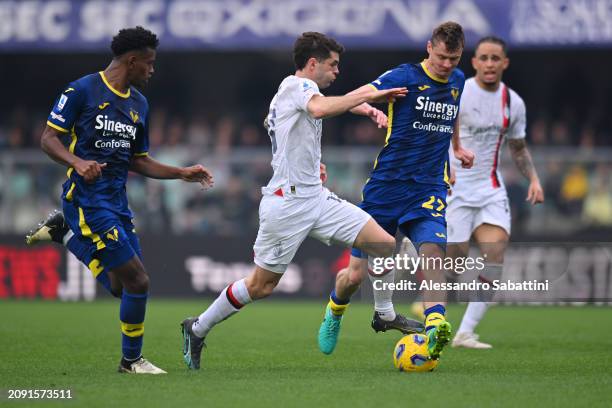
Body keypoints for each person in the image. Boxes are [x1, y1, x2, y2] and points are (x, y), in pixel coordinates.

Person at [179, 31, 417, 370]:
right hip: (286, 205)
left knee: (383, 243)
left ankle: (384, 313)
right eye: (333, 65)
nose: (337, 71)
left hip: (315, 198)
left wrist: (362, 109)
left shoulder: (294, 93)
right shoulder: (297, 87)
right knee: (261, 286)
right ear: (312, 63)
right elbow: (319, 109)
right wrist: (371, 98)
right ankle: (197, 327)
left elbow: (300, 121)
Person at [26, 26, 213, 374]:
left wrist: (180, 173)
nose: (152, 70)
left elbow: (138, 159)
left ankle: (63, 233)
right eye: (150, 63)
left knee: (119, 286)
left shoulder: (139, 104)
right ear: (132, 60)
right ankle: (131, 361)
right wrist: (78, 163)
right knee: (138, 281)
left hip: (117, 202)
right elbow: (48, 139)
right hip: (87, 199)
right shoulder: (82, 90)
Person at [318, 21, 474, 361]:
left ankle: (434, 328)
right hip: (386, 188)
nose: (449, 65)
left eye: (456, 58)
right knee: (354, 276)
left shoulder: (458, 81)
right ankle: (335, 309)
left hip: (429, 186)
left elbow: (454, 112)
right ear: (429, 47)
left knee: (433, 254)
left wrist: (457, 148)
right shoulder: (403, 77)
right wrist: (374, 100)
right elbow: (351, 97)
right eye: (444, 57)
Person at [447, 36, 544, 349]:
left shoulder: (512, 102)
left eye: (495, 58)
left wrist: (533, 178)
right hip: (455, 188)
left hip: (489, 188)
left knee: (496, 251)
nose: (489, 64)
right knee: (455, 261)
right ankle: (433, 308)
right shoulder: (458, 92)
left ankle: (465, 332)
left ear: (505, 63)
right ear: (474, 62)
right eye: (484, 58)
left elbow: (517, 147)